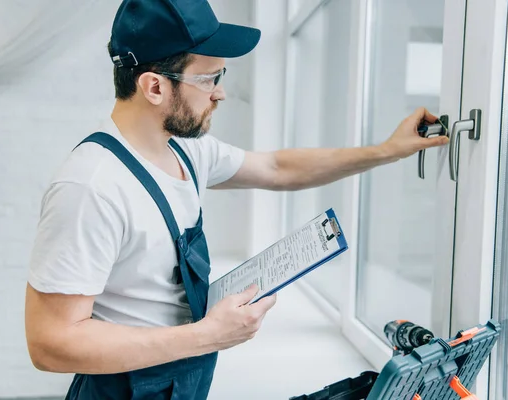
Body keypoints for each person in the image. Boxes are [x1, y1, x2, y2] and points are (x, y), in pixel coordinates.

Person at [24, 0, 449, 398]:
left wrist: (388, 150)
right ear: (154, 87)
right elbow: (51, 344)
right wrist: (207, 335)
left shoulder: (185, 149)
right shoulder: (92, 187)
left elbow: (278, 168)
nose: (220, 93)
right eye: (208, 78)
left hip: (179, 376)